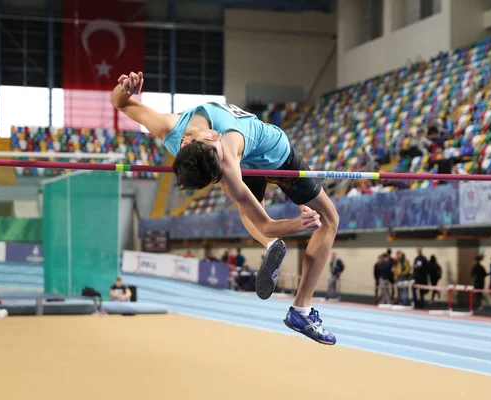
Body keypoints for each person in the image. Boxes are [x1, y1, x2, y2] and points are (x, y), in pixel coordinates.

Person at [112, 72, 338, 345]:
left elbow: (119, 102)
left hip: (272, 155)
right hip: (271, 161)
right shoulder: (225, 167)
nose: (216, 138)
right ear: (184, 145)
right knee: (329, 219)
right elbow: (265, 221)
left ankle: (271, 247)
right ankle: (301, 310)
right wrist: (297, 223)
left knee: (248, 209)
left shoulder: (193, 142)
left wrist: (124, 91)